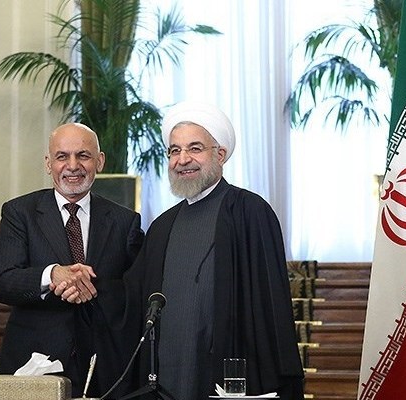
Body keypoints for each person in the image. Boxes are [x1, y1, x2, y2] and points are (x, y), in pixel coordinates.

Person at [122, 102, 304, 400]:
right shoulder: (162, 226)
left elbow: (269, 306)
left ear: (220, 154)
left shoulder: (249, 211)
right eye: (174, 151)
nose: (183, 159)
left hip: (230, 375)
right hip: (166, 376)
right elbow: (133, 298)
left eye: (195, 149)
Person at [0, 122, 145, 397]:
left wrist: (87, 286)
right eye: (62, 156)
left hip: (103, 367)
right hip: (35, 364)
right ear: (48, 163)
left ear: (99, 161)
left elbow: (136, 292)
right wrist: (52, 275)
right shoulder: (19, 212)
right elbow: (4, 282)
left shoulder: (125, 221)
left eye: (83, 155)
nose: (73, 166)